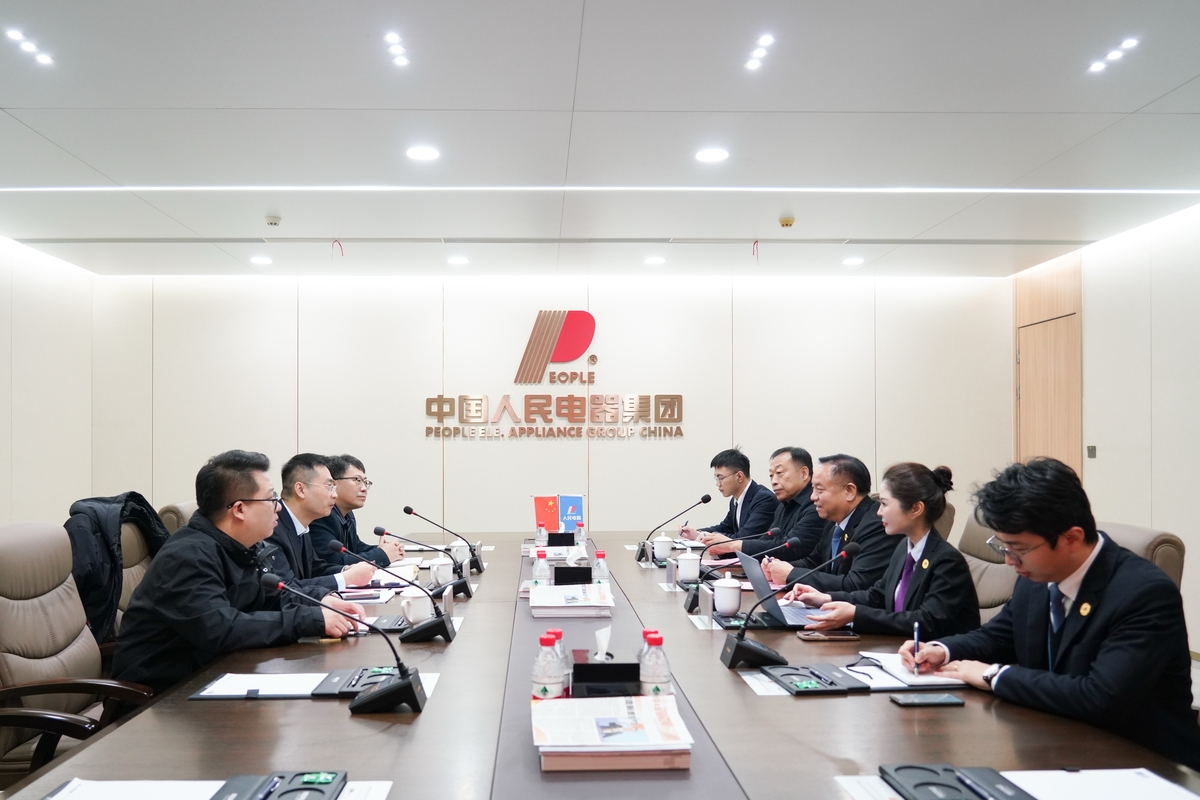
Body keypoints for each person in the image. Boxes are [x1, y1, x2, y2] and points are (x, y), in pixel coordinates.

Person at [900, 458, 1200, 770]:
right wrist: (941, 649)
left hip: (1143, 764)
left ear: (1071, 538)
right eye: (1003, 547)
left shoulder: (1144, 593)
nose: (1009, 562)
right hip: (1056, 743)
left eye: (1018, 549)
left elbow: (1100, 696)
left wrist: (995, 675)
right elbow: (999, 636)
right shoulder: (1038, 577)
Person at [113, 450, 365, 693]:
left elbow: (272, 595)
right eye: (271, 499)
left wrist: (321, 601)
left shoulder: (240, 546)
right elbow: (221, 630)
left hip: (216, 673)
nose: (278, 507)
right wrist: (310, 619)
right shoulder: (187, 557)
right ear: (239, 509)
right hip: (163, 697)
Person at [787, 462, 979, 639]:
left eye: (885, 504)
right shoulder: (904, 548)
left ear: (915, 509)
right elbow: (877, 596)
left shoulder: (946, 560)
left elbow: (926, 622)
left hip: (937, 657)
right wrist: (825, 598)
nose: (878, 512)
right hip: (898, 649)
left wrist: (856, 614)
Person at [764, 454, 898, 592]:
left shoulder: (876, 525)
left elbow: (856, 584)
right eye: (813, 489)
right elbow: (813, 562)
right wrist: (777, 567)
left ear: (849, 491)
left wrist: (791, 574)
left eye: (819, 490)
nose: (812, 497)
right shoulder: (832, 522)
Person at [260, 454, 375, 593]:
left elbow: (315, 568)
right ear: (301, 490)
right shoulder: (272, 528)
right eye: (329, 486)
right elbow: (286, 589)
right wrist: (346, 578)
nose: (335, 495)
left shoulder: (300, 524)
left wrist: (346, 570)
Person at [700, 447, 825, 560]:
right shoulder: (783, 505)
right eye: (771, 475)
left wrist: (733, 545)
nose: (774, 481)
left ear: (804, 473)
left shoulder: (815, 505)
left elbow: (790, 548)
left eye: (779, 473)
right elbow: (767, 540)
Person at [309, 454, 403, 568]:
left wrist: (387, 549)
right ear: (333, 483)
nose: (364, 488)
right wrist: (382, 554)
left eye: (365, 482)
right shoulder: (322, 516)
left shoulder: (347, 514)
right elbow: (336, 561)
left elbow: (356, 548)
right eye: (357, 480)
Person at [679, 448, 777, 542]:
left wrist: (707, 536)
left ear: (739, 476)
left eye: (721, 478)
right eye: (716, 478)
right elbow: (725, 528)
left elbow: (744, 538)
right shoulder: (735, 500)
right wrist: (697, 533)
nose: (718, 484)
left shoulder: (764, 499)